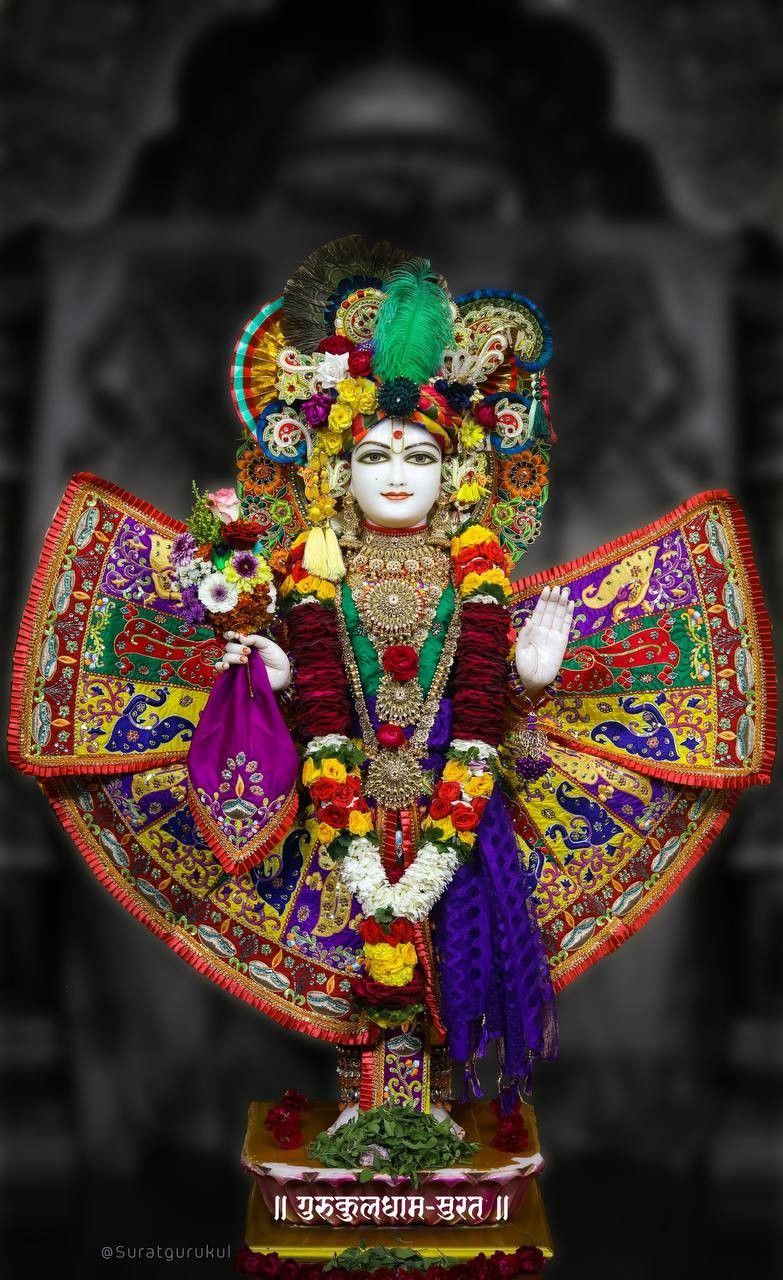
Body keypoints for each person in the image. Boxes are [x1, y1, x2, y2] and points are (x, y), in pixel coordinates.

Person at [8, 235, 775, 1119]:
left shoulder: (473, 581)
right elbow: (311, 712)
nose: (398, 475)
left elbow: (492, 723)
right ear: (336, 473)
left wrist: (525, 686)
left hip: (459, 799)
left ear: (456, 476)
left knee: (444, 974)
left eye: (418, 458)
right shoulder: (307, 577)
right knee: (357, 975)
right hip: (337, 814)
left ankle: (422, 1133)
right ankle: (373, 1129)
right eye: (375, 457)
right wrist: (277, 683)